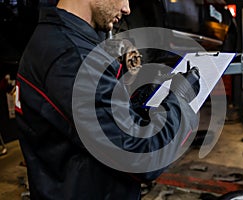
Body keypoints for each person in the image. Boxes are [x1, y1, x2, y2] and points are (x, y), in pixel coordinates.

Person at [16, 0, 201, 199]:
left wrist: (141, 95)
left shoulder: (58, 40)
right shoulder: (72, 57)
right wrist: (180, 101)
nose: (127, 8)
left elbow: (100, 118)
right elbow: (141, 157)